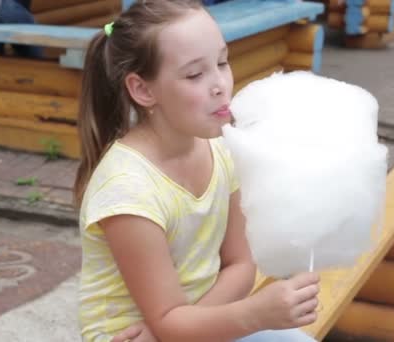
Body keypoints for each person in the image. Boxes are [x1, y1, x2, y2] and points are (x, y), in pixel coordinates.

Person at [73, 1, 320, 341]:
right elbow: (171, 320)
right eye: (195, 74)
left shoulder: (223, 151)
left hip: (189, 327)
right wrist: (254, 314)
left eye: (222, 62)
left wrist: (171, 330)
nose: (220, 84)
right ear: (143, 90)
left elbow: (241, 264)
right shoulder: (127, 190)